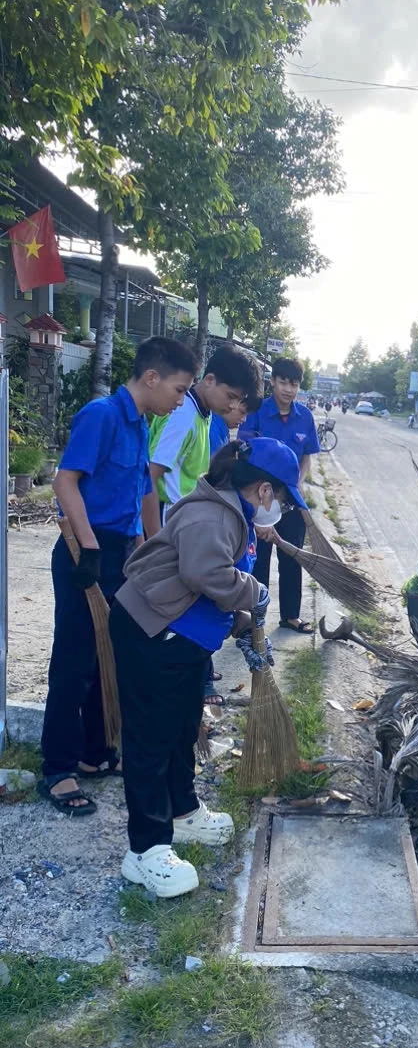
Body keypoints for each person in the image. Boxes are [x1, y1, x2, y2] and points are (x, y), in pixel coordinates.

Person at [110, 438, 309, 897]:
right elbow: (206, 574)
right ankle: (144, 851)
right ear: (264, 490)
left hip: (181, 637)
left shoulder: (232, 514)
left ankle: (182, 813)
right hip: (151, 632)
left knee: (182, 729)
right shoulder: (212, 514)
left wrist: (241, 623)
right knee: (150, 739)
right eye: (282, 500)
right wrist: (256, 593)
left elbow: (202, 590)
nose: (280, 509)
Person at [38, 336, 198, 817]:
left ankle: (94, 753)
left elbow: (143, 489)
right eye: (178, 389)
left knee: (105, 657)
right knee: (73, 662)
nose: (180, 401)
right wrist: (88, 548)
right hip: (86, 552)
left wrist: (153, 548)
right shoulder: (102, 415)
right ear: (151, 377)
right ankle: (58, 768)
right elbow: (64, 481)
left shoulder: (140, 424)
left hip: (121, 553)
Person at [239, 358, 320, 633]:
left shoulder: (305, 417)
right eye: (283, 382)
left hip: (291, 501)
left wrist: (296, 483)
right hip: (260, 501)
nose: (288, 389)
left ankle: (290, 616)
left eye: (294, 384)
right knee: (258, 559)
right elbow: (245, 453)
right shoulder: (257, 412)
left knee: (292, 557)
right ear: (272, 381)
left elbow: (307, 456)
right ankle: (254, 618)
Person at [148, 346, 262, 516]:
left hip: (183, 513)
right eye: (231, 396)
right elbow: (150, 476)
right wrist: (155, 532)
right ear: (209, 380)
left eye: (239, 400)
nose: (233, 406)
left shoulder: (203, 412)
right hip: (167, 514)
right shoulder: (183, 415)